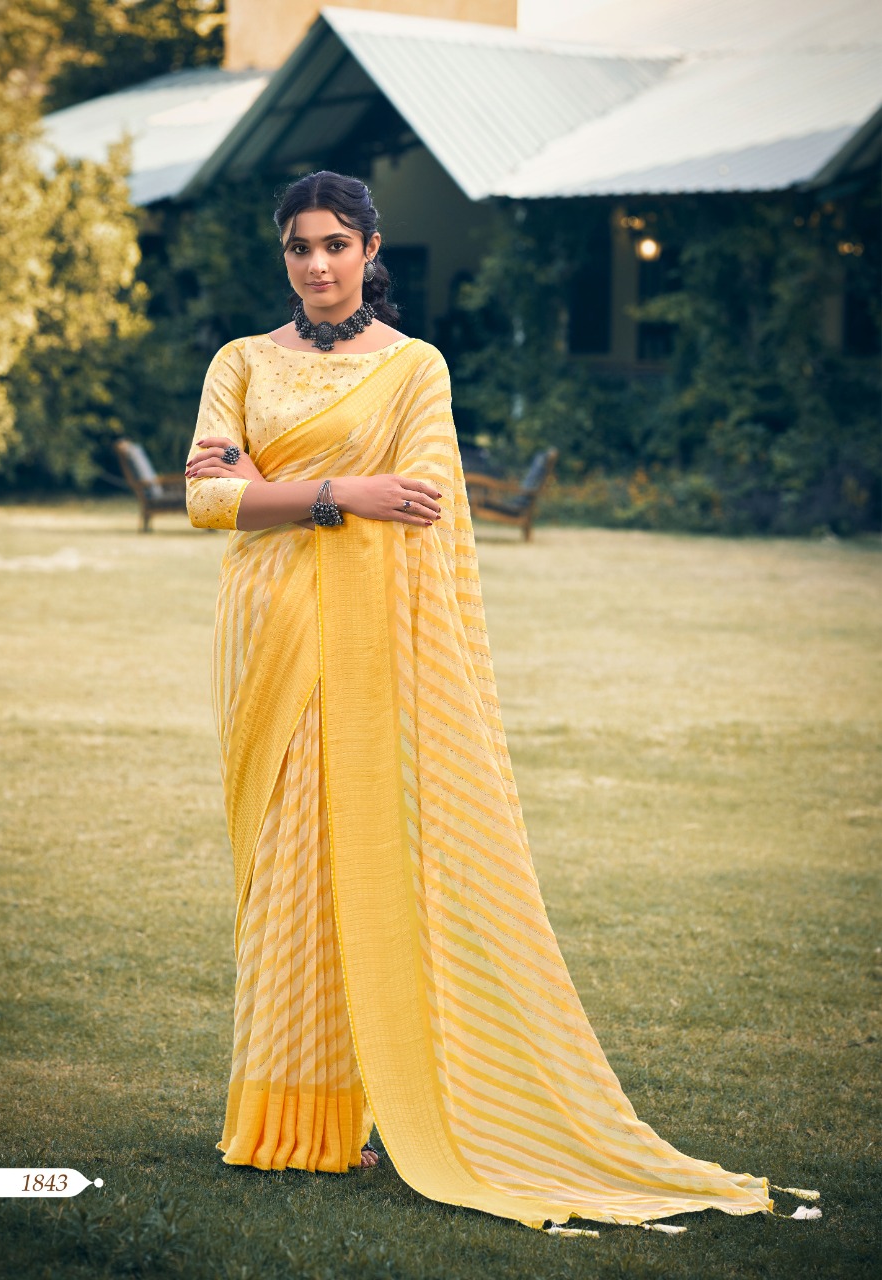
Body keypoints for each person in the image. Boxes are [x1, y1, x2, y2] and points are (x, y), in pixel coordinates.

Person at [184, 171, 810, 1233]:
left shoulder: (414, 367)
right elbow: (207, 499)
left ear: (371, 249)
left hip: (370, 644)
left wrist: (273, 488)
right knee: (280, 862)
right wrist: (344, 492)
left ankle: (372, 1100)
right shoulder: (239, 361)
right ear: (281, 254)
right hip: (265, 637)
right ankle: (293, 1112)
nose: (318, 263)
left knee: (358, 854)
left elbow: (419, 505)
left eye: (336, 243)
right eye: (298, 246)